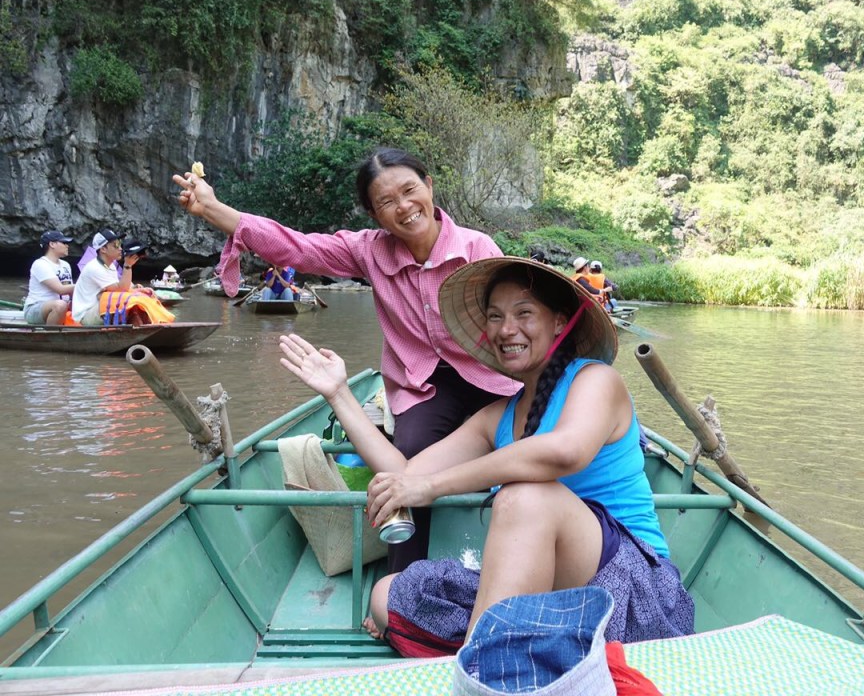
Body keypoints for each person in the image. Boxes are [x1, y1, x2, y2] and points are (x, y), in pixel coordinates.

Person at [276, 257, 696, 654]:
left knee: (526, 496)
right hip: (545, 593)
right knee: (388, 593)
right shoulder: (497, 416)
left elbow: (564, 452)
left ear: (559, 323)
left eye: (524, 313)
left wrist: (431, 487)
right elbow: (405, 474)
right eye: (495, 316)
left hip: (629, 590)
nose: (506, 329)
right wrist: (338, 393)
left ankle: (482, 668)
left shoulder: (596, 380)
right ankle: (510, 650)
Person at [174, 147, 520, 572]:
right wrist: (211, 208)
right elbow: (295, 247)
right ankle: (404, 581)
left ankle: (514, 559)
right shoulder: (369, 250)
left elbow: (512, 323)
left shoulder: (477, 247)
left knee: (523, 447)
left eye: (410, 190)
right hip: (421, 382)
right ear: (375, 215)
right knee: (408, 457)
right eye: (387, 203)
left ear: (429, 187)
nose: (405, 207)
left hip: (489, 375)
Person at [71, 229, 159, 325]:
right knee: (124, 300)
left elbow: (119, 287)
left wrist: (136, 289)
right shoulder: (94, 267)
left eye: (119, 244)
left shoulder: (110, 265)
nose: (120, 248)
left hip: (97, 308)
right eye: (116, 245)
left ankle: (144, 327)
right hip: (85, 315)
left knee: (140, 298)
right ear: (103, 249)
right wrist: (127, 265)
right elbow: (121, 289)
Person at [24, 230, 76, 325]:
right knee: (60, 305)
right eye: (64, 243)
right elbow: (60, 289)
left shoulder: (66, 265)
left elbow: (70, 290)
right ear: (52, 244)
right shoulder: (41, 264)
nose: (67, 246)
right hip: (35, 308)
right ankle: (51, 336)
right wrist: (83, 284)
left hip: (62, 306)